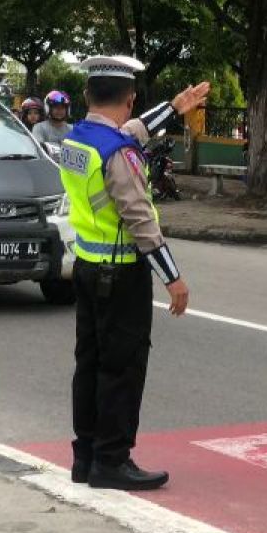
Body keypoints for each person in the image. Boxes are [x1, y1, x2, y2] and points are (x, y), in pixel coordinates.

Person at [59, 55, 209, 491]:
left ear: (88, 95)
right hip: (120, 274)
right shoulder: (119, 154)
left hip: (87, 266)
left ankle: (85, 456)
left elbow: (129, 130)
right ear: (128, 99)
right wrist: (173, 277)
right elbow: (141, 220)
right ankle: (112, 460)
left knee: (89, 364)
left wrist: (175, 107)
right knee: (121, 369)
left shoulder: (78, 139)